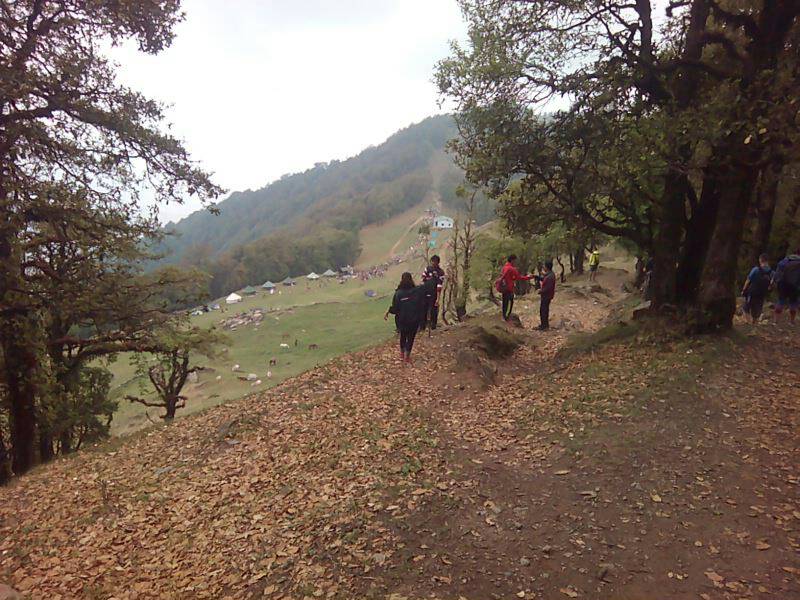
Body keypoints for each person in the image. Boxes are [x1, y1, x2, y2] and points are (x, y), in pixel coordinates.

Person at [385, 272, 424, 363]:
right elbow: (421, 304)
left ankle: (402, 353)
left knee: (403, 336)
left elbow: (395, 309)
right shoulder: (417, 291)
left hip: (402, 320)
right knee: (411, 337)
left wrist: (389, 311)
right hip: (414, 319)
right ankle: (407, 355)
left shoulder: (398, 293)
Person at [496, 254, 533, 321]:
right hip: (509, 289)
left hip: (504, 288)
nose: (516, 262)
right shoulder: (512, 269)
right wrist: (529, 277)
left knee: (505, 303)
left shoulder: (504, 267)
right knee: (510, 303)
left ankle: (504, 316)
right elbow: (519, 277)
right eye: (515, 260)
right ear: (512, 260)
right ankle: (506, 317)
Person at [741, 254, 772, 323]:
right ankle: (754, 323)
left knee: (745, 308)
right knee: (757, 310)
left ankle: (748, 322)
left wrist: (743, 290)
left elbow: (748, 280)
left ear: (760, 260)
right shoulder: (771, 272)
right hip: (762, 293)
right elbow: (772, 283)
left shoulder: (756, 269)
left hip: (752, 292)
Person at [773, 248, 800, 324]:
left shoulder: (785, 260)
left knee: (781, 300)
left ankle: (776, 320)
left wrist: (776, 281)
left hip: (782, 283)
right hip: (795, 285)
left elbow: (777, 272)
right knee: (793, 302)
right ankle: (792, 321)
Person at [420, 255, 445, 335]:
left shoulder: (440, 272)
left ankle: (433, 326)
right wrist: (429, 279)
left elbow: (439, 285)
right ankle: (422, 327)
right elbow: (423, 277)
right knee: (423, 309)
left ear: (438, 262)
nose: (433, 263)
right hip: (425, 292)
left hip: (434, 293)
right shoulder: (428, 269)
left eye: (435, 262)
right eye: (432, 261)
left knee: (434, 310)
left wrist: (438, 298)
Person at [538, 260, 556, 330]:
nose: (543, 268)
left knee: (544, 310)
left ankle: (544, 326)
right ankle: (544, 324)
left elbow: (548, 287)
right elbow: (543, 279)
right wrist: (536, 277)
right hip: (546, 295)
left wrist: (541, 291)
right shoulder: (549, 274)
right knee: (544, 310)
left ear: (547, 267)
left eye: (544, 266)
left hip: (546, 296)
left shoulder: (550, 276)